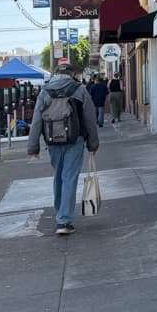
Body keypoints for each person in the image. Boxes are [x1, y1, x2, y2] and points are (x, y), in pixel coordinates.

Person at [27, 60, 99, 236]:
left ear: (56, 73)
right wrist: (93, 143)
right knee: (69, 178)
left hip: (52, 141)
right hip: (75, 140)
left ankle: (60, 215)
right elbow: (90, 118)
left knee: (58, 177)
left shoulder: (45, 91)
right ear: (71, 74)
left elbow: (37, 120)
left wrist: (33, 146)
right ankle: (64, 220)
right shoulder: (79, 89)